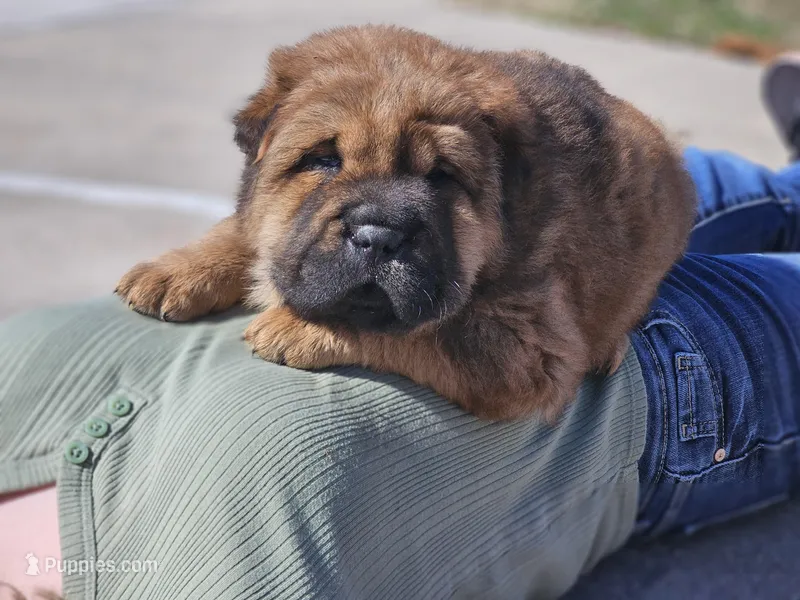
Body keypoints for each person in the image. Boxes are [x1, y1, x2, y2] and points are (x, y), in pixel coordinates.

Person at [1, 55, 800, 600]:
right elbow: (530, 363)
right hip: (645, 387)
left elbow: (282, 192)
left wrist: (226, 254)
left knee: (761, 194)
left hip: (587, 197)